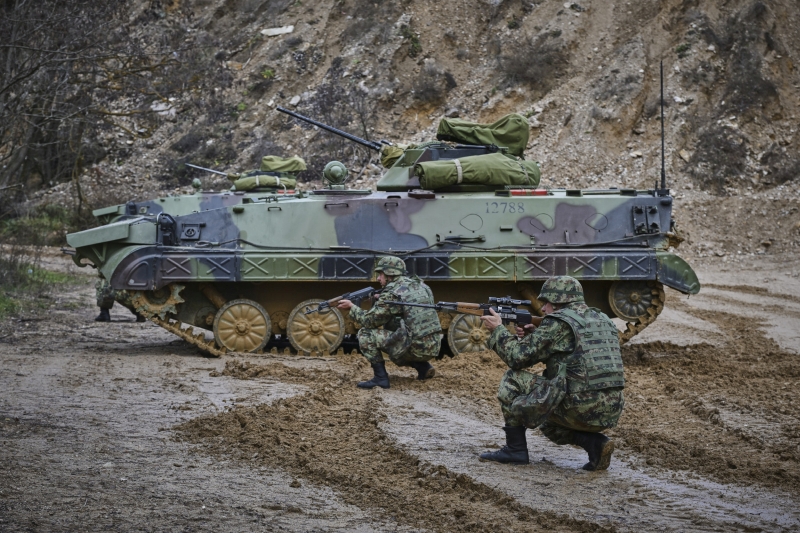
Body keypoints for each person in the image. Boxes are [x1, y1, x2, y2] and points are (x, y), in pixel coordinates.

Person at [478, 276, 624, 471]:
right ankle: (595, 443)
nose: (544, 309)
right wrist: (537, 335)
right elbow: (579, 355)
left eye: (546, 302)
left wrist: (498, 330)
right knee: (548, 424)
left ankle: (515, 449)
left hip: (578, 407)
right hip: (611, 409)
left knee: (512, 379)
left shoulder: (558, 323)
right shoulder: (602, 318)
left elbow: (516, 358)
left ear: (558, 302)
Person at [337, 256, 442, 389]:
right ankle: (423, 367)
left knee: (366, 334)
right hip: (432, 345)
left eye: (380, 274)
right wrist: (380, 300)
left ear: (390, 274)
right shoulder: (420, 285)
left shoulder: (391, 292)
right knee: (399, 330)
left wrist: (352, 307)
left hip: (415, 348)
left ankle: (380, 378)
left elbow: (369, 321)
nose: (378, 279)